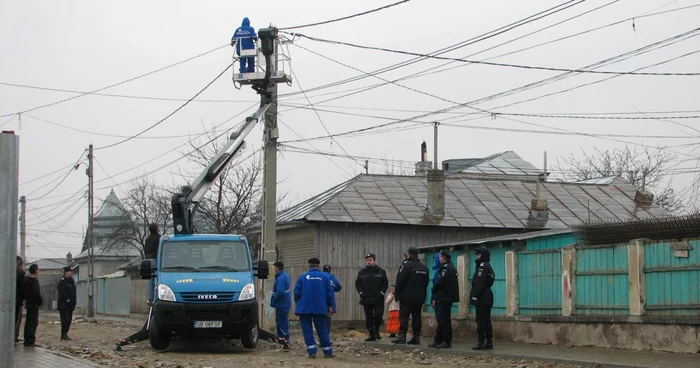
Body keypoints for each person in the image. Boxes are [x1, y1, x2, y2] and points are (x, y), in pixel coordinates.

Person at [294, 257, 335, 359]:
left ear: (309, 265)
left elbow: (296, 292)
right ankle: (328, 352)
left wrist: (299, 302)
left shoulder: (303, 277)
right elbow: (330, 294)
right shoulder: (324, 277)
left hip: (304, 308)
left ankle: (312, 351)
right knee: (322, 330)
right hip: (320, 308)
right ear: (318, 265)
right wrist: (329, 306)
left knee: (307, 330)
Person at [392, 247, 429, 345]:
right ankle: (416, 337)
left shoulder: (406, 265)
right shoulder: (424, 267)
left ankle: (402, 336)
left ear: (408, 254)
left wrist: (397, 294)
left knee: (404, 316)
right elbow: (426, 282)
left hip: (407, 296)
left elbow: (400, 281)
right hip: (419, 297)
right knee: (416, 317)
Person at [355, 253, 388, 342]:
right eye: (367, 260)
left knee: (378, 315)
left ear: (374, 260)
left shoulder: (381, 271)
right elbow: (358, 283)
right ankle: (371, 334)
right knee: (369, 317)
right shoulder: (362, 272)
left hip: (378, 298)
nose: (368, 262)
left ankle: (376, 329)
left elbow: (385, 283)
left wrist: (381, 293)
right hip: (366, 298)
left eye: (370, 260)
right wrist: (361, 293)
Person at [429, 249, 459, 349]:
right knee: (442, 320)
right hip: (444, 297)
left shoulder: (446, 268)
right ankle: (438, 340)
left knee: (444, 320)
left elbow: (441, 282)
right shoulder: (449, 267)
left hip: (444, 297)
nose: (439, 259)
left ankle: (446, 341)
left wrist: (434, 289)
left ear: (444, 258)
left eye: (441, 257)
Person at [470, 247, 496, 350]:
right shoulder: (488, 266)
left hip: (482, 296)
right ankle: (489, 342)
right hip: (488, 295)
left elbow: (479, 284)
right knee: (487, 320)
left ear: (483, 256)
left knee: (481, 320)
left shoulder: (482, 267)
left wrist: (474, 297)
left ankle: (481, 342)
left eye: (478, 254)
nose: (477, 256)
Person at [271, 261, 291, 349]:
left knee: (282, 322)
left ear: (277, 268)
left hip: (281, 304)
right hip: (284, 303)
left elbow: (280, 292)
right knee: (282, 321)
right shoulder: (284, 276)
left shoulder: (281, 278)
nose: (273, 269)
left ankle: (284, 339)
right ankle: (283, 339)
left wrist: (274, 300)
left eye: (274, 267)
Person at [23, 264, 42, 347]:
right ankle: (30, 340)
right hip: (34, 303)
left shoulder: (26, 279)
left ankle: (27, 339)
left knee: (28, 322)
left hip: (28, 302)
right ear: (35, 270)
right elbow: (36, 292)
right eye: (38, 269)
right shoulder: (33, 280)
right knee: (33, 322)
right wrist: (39, 301)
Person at [57, 266, 77, 340]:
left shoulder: (71, 281)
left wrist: (73, 301)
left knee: (69, 320)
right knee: (65, 320)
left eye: (72, 271)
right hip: (63, 305)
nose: (72, 273)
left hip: (70, 305)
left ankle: (66, 333)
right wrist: (68, 300)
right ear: (66, 272)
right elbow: (62, 293)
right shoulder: (62, 282)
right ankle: (64, 334)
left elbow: (73, 293)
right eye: (70, 271)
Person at [143, 223, 160, 306]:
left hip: (147, 260)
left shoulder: (147, 239)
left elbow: (145, 250)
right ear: (156, 229)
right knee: (156, 278)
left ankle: (149, 298)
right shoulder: (158, 238)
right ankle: (155, 297)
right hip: (154, 259)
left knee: (150, 279)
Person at [322, 264, 342, 332]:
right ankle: (326, 337)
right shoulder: (333, 279)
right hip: (329, 303)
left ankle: (320, 337)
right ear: (330, 270)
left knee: (320, 321)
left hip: (320, 302)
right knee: (328, 321)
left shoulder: (320, 277)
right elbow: (339, 287)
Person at [15, 256, 25, 343]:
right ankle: (14, 337)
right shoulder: (20, 272)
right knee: (16, 319)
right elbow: (22, 288)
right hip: (17, 300)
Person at [431, 251, 441, 321]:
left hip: (439, 299)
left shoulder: (439, 271)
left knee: (440, 317)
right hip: (441, 298)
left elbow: (436, 286)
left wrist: (434, 299)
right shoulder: (438, 270)